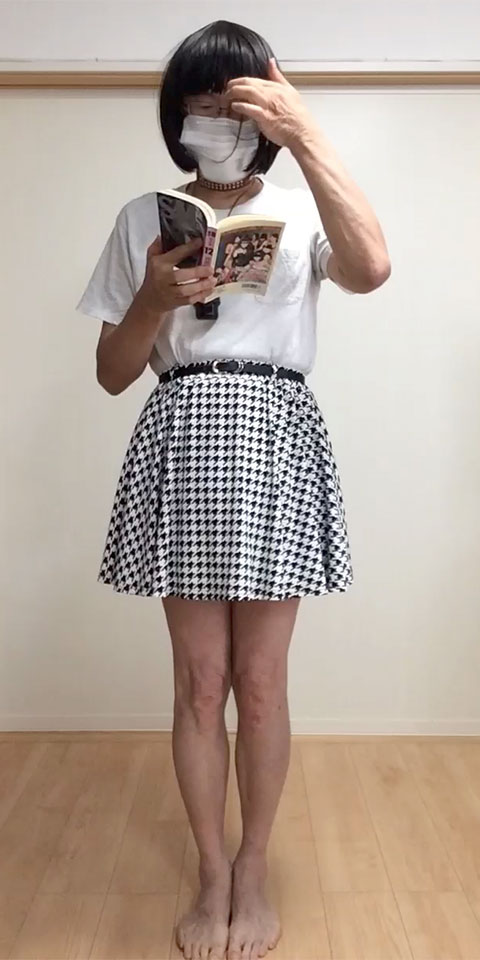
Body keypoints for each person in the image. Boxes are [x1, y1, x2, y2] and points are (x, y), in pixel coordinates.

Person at [75, 18, 391, 960]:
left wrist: (308, 133)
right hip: (183, 434)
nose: (217, 120)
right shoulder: (143, 216)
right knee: (198, 680)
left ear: (267, 114)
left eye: (236, 104)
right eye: (201, 105)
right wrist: (151, 301)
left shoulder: (302, 207)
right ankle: (212, 871)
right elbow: (112, 374)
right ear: (176, 116)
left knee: (260, 683)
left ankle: (253, 867)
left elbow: (372, 269)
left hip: (276, 436)